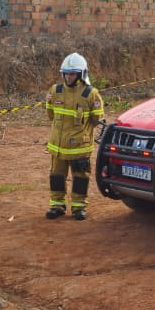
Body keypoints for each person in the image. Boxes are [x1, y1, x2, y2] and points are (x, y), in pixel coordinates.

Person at [44, 52, 104, 221]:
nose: (69, 77)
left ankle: (79, 207)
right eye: (66, 73)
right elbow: (50, 115)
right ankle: (57, 205)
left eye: (73, 74)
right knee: (56, 176)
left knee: (80, 178)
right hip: (58, 146)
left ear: (81, 74)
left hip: (80, 147)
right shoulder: (55, 91)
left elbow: (96, 119)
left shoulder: (91, 94)